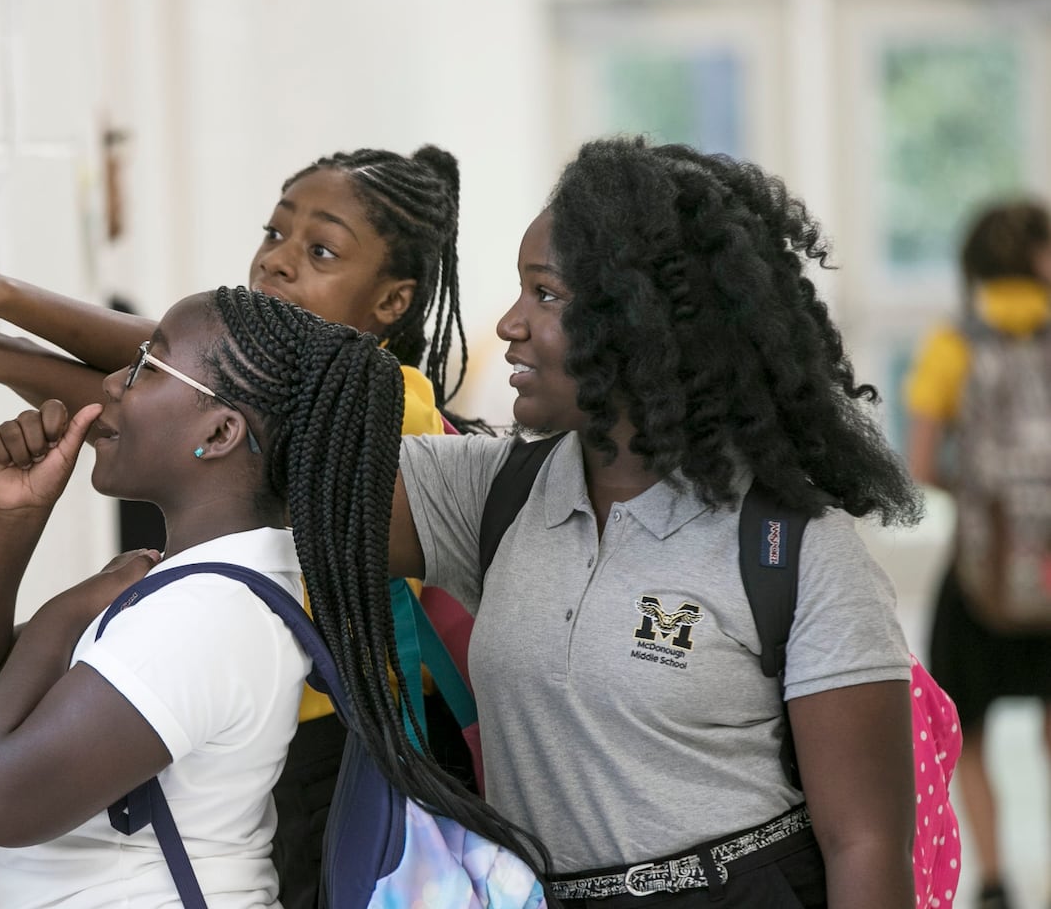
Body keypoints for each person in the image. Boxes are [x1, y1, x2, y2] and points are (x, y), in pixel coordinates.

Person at [0, 144, 482, 907]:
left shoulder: (384, 413)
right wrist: (1, 370)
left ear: (391, 301)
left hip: (322, 765)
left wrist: (2, 320)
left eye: (319, 250)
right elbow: (192, 388)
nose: (278, 261)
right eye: (273, 233)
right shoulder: (195, 564)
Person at [386, 136, 924, 907]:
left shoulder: (796, 550)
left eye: (545, 294)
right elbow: (274, 455)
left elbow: (865, 844)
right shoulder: (492, 493)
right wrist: (162, 347)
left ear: (639, 324)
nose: (508, 324)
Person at [0, 285, 546, 908]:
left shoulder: (204, 617)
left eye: (146, 365)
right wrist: (14, 518)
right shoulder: (203, 586)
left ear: (220, 433)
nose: (112, 382)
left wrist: (66, 611)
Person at [905, 199, 1051, 909]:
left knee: (971, 731)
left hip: (979, 575)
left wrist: (981, 495)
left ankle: (993, 882)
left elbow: (922, 460)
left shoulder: (952, 342)